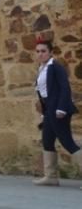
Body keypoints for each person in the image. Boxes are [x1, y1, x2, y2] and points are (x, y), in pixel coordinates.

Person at [33, 35, 81, 186]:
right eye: (38, 51)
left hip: (58, 110)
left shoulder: (56, 67)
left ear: (50, 52)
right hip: (49, 110)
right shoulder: (42, 68)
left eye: (43, 51)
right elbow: (43, 93)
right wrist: (43, 112)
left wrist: (61, 108)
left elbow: (65, 88)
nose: (40, 54)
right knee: (47, 141)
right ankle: (51, 176)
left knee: (67, 142)